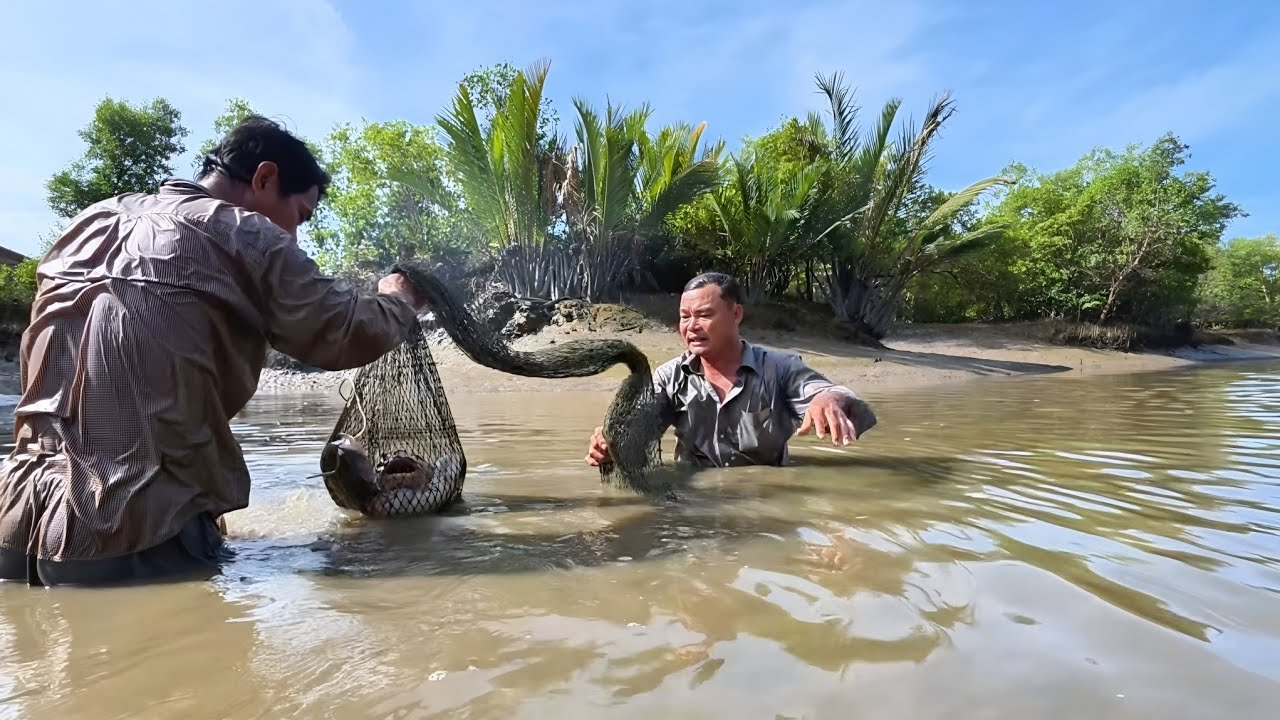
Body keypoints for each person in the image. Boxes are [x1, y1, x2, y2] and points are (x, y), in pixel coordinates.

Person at [0, 116, 428, 587]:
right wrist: (398, 298)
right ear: (265, 179)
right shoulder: (242, 232)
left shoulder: (89, 222)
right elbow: (343, 329)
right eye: (300, 216)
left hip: (18, 518)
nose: (295, 237)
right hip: (127, 530)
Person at [585, 272, 874, 469]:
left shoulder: (780, 369)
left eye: (705, 315)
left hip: (766, 501)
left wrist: (830, 399)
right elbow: (640, 427)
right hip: (692, 501)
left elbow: (828, 393)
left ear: (736, 314)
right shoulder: (669, 377)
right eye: (685, 317)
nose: (691, 326)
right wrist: (611, 443)